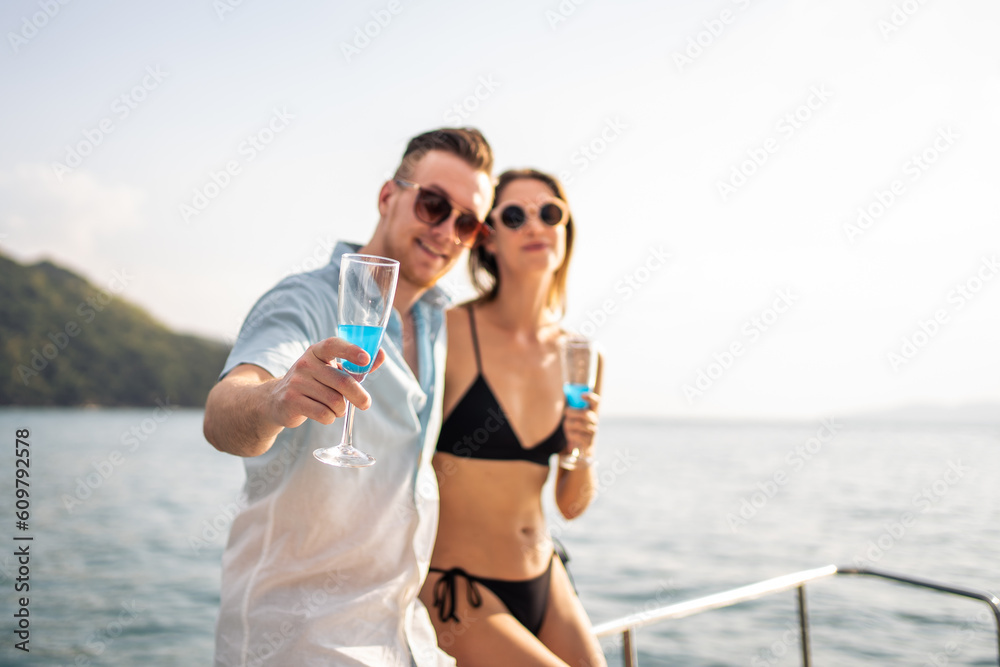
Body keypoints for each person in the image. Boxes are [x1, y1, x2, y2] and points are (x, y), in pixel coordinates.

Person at [202, 127, 494, 667]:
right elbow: (223, 414)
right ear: (388, 197)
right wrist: (275, 400)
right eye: (433, 204)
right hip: (301, 647)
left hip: (407, 641)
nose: (448, 231)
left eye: (468, 222)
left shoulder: (434, 322)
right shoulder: (306, 300)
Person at [419, 169, 607, 666]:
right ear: (487, 239)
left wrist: (581, 451)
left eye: (550, 213)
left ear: (565, 231)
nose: (535, 225)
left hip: (545, 575)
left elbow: (571, 505)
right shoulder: (449, 332)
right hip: (458, 590)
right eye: (515, 215)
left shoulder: (581, 355)